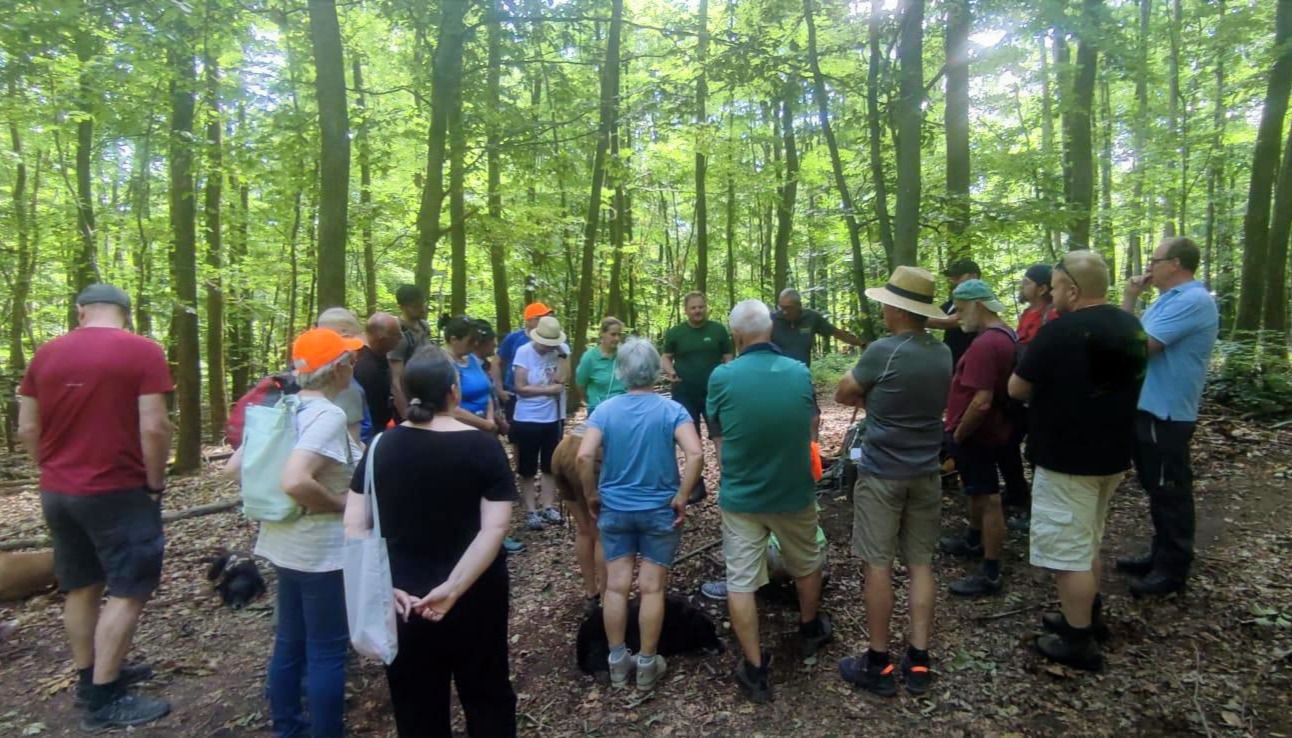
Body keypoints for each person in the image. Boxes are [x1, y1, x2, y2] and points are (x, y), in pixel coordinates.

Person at [17, 284, 173, 731]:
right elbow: (156, 426)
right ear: (127, 312)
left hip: (58, 490)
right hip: (117, 490)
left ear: (80, 311)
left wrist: (49, 469)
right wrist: (154, 483)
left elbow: (28, 425)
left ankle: (91, 676)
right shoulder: (142, 352)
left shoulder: (45, 354)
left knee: (82, 585)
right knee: (128, 589)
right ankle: (104, 699)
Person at [343, 349, 518, 737]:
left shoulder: (379, 448)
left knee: (415, 705)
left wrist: (382, 587)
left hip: (403, 598)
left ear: (407, 394)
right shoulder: (483, 447)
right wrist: (453, 588)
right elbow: (494, 529)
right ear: (454, 393)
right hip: (476, 594)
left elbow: (354, 525)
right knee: (487, 695)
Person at [1009, 250, 1147, 670]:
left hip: (1068, 458)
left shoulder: (1060, 332)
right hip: (1113, 454)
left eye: (1053, 286)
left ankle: (1078, 641)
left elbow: (1017, 388)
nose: (1050, 294)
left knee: (1068, 555)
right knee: (1087, 541)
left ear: (1072, 288)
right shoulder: (1132, 325)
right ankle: (1085, 615)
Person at [225, 327, 363, 738]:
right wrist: (343, 504)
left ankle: (288, 727)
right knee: (326, 652)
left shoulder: (283, 407)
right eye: (349, 360)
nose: (353, 366)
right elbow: (295, 480)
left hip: (284, 542)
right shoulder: (327, 414)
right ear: (337, 369)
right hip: (321, 550)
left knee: (290, 642)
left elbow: (235, 469)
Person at [833, 267, 952, 697]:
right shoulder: (941, 354)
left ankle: (879, 661)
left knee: (878, 563)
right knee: (921, 563)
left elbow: (843, 392)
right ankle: (919, 661)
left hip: (882, 473)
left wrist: (872, 398)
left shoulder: (884, 351)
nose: (882, 307)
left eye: (886, 301)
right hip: (926, 472)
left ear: (898, 308)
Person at [709, 300, 832, 704]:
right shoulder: (798, 372)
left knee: (741, 580)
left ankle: (756, 666)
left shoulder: (722, 377)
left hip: (742, 495)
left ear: (737, 335)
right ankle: (810, 627)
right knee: (807, 559)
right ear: (771, 330)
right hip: (793, 490)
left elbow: (720, 439)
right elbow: (811, 425)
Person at [577, 339, 704, 692]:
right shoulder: (672, 410)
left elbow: (584, 457)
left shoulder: (604, 410)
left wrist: (591, 495)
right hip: (659, 510)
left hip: (616, 508)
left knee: (614, 587)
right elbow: (695, 455)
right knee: (652, 589)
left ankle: (617, 663)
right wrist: (681, 496)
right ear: (656, 370)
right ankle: (647, 665)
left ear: (621, 372)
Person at [1117, 236, 1219, 596]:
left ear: (1175, 263)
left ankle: (1173, 569)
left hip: (1168, 411)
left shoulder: (1192, 300)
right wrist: (1130, 299)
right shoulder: (1165, 301)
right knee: (1156, 485)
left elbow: (1139, 346)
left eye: (1155, 260)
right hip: (1149, 406)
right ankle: (1160, 554)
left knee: (1170, 489)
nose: (1150, 267)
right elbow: (1127, 338)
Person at [940, 279, 1021, 597]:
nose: (957, 317)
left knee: (989, 500)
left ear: (979, 305)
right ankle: (974, 540)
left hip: (980, 434)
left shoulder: (986, 345)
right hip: (991, 430)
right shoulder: (1005, 335)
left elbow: (982, 400)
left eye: (960, 310)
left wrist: (959, 433)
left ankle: (990, 571)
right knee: (976, 490)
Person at [661, 292, 733, 504]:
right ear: (686, 310)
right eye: (693, 308)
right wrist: (670, 372)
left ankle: (727, 482)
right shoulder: (676, 333)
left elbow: (728, 357)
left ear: (706, 307)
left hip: (715, 393)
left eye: (701, 307)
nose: (697, 311)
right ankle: (695, 484)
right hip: (684, 394)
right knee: (691, 440)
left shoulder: (718, 330)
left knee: (720, 437)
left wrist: (729, 377)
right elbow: (665, 357)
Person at [770, 288, 867, 440]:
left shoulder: (811, 318)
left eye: (788, 308)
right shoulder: (771, 320)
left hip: (801, 377)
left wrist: (861, 343)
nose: (783, 312)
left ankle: (813, 456)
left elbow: (834, 332)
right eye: (780, 307)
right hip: (776, 378)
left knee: (813, 418)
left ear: (799, 306)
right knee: (781, 419)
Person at [512, 315, 571, 531]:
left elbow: (563, 379)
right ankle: (530, 510)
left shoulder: (561, 349)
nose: (549, 347)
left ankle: (547, 506)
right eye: (547, 343)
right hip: (528, 418)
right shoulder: (524, 352)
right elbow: (520, 387)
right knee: (527, 467)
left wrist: (562, 356)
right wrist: (548, 390)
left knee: (549, 464)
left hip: (553, 417)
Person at [318, 308, 374, 443]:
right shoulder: (346, 386)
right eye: (355, 347)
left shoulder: (302, 373)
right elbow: (354, 445)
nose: (358, 354)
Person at [498, 303, 555, 424]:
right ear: (529, 321)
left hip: (547, 398)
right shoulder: (515, 338)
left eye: (547, 317)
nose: (545, 321)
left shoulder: (553, 339)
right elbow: (496, 362)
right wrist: (499, 390)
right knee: (517, 435)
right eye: (540, 318)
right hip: (515, 395)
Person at [444, 316, 499, 434]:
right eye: (470, 341)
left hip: (486, 425)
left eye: (476, 340)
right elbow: (452, 408)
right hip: (461, 429)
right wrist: (485, 424)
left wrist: (490, 419)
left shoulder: (472, 359)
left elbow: (486, 390)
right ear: (454, 339)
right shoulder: (444, 364)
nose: (475, 344)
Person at [389, 284, 432, 421]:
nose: (421, 309)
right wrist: (405, 414)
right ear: (402, 307)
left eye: (422, 304)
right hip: (409, 396)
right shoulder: (399, 335)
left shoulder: (423, 327)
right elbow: (396, 379)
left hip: (426, 390)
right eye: (415, 306)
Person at [355, 312, 403, 433]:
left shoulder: (379, 354)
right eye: (397, 335)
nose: (401, 338)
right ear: (382, 339)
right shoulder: (365, 367)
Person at [928, 259, 981, 368]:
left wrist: (913, 318)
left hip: (971, 363)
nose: (953, 281)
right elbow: (935, 314)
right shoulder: (954, 302)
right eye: (952, 277)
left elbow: (949, 321)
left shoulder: (979, 300)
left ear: (973, 276)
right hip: (954, 362)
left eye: (958, 277)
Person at [576, 316, 627, 415]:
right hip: (598, 410)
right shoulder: (589, 357)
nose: (617, 338)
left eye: (619, 334)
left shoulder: (624, 355)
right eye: (613, 334)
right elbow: (581, 385)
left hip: (622, 409)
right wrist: (592, 401)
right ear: (602, 334)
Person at [1016, 264, 1059, 347]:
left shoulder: (1052, 316)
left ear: (1042, 289)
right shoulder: (1026, 313)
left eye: (1026, 283)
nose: (1022, 286)